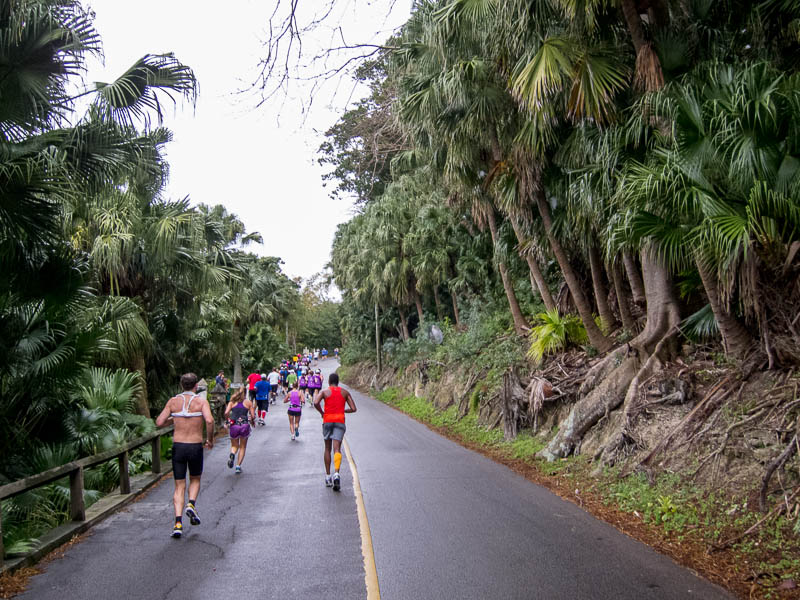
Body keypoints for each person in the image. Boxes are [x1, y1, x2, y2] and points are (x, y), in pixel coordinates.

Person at [155, 373, 214, 538]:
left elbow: (159, 422)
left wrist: (174, 419)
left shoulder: (173, 402)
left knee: (179, 485)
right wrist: (209, 439)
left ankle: (178, 523)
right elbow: (209, 420)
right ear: (196, 386)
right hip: (195, 446)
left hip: (178, 446)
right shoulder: (201, 401)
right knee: (195, 479)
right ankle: (191, 504)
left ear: (182, 385)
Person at [313, 372, 356, 491]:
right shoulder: (345, 392)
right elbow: (354, 408)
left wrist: (322, 413)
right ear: (338, 381)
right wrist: (344, 411)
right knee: (337, 449)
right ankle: (336, 473)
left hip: (327, 421)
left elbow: (316, 402)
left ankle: (328, 477)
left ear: (329, 381)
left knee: (327, 448)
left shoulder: (324, 392)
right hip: (340, 421)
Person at [225, 387, 254, 474]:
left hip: (234, 425)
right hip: (244, 425)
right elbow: (252, 415)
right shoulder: (248, 402)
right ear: (246, 393)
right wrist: (252, 421)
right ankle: (238, 466)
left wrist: (228, 420)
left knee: (234, 445)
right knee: (242, 447)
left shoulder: (232, 402)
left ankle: (233, 453)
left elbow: (226, 413)